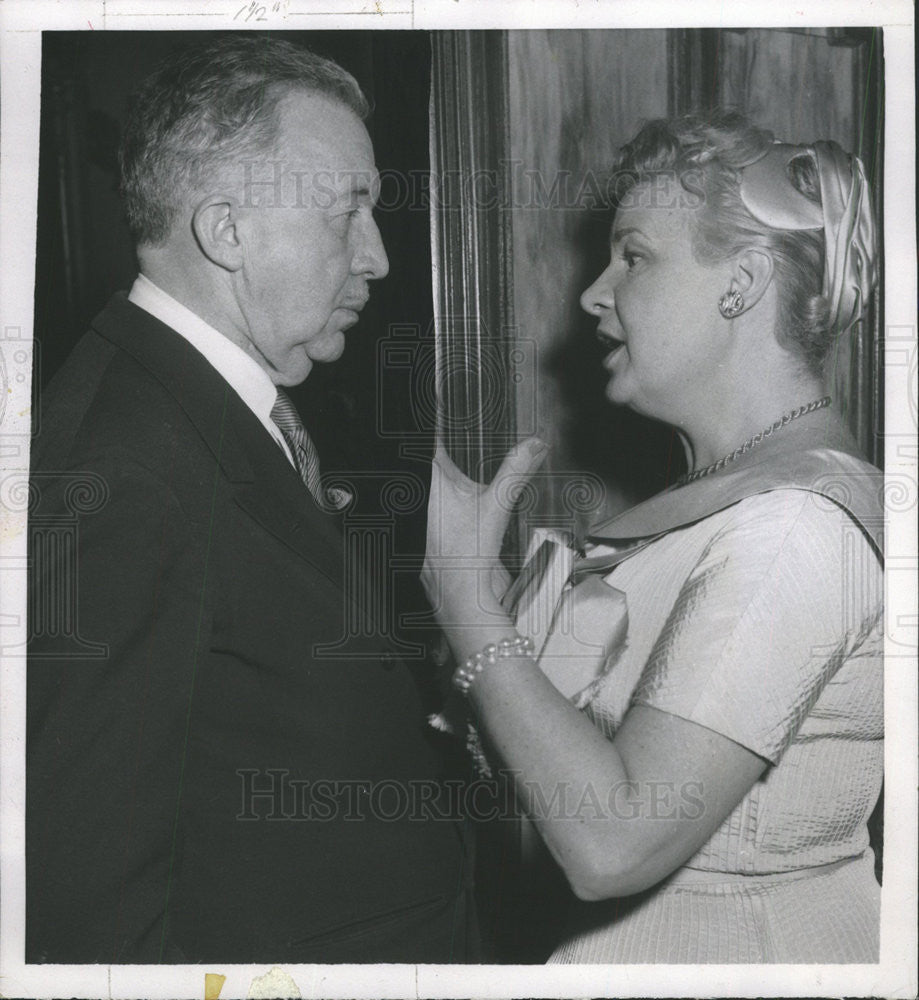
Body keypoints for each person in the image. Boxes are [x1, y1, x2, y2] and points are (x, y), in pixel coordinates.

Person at [27, 35, 471, 964]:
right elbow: (87, 892)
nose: (379, 257)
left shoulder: (198, 401)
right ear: (227, 231)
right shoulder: (127, 468)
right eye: (346, 212)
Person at [423, 110, 882, 963]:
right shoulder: (724, 500)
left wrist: (463, 604)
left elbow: (613, 844)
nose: (594, 292)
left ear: (740, 284)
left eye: (633, 256)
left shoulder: (792, 531)